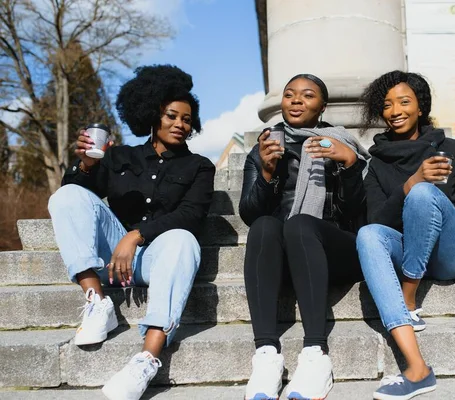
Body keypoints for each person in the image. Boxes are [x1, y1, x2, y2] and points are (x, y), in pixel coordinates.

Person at [47, 65, 215, 400]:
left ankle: (147, 357)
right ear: (153, 114)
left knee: (184, 239)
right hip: (112, 258)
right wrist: (88, 164)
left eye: (187, 119)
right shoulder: (119, 156)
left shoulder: (199, 167)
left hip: (157, 256)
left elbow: (191, 216)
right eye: (171, 115)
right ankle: (97, 303)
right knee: (65, 194)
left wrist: (135, 235)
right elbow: (79, 197)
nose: (180, 124)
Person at [356, 70, 455, 400]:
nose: (395, 110)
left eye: (404, 102)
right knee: (367, 234)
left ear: (421, 107)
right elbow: (377, 220)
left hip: (448, 255)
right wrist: (411, 180)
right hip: (405, 250)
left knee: (424, 195)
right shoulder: (377, 163)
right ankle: (417, 369)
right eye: (387, 105)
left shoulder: (450, 149)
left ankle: (409, 295)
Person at [240, 74, 370, 400]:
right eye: (289, 94)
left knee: (299, 224)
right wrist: (267, 173)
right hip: (283, 256)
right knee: (266, 226)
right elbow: (250, 215)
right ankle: (266, 355)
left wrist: (350, 165)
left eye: (307, 95)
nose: (296, 100)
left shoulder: (339, 143)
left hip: (334, 247)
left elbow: (357, 210)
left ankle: (316, 354)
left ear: (322, 106)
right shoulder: (265, 147)